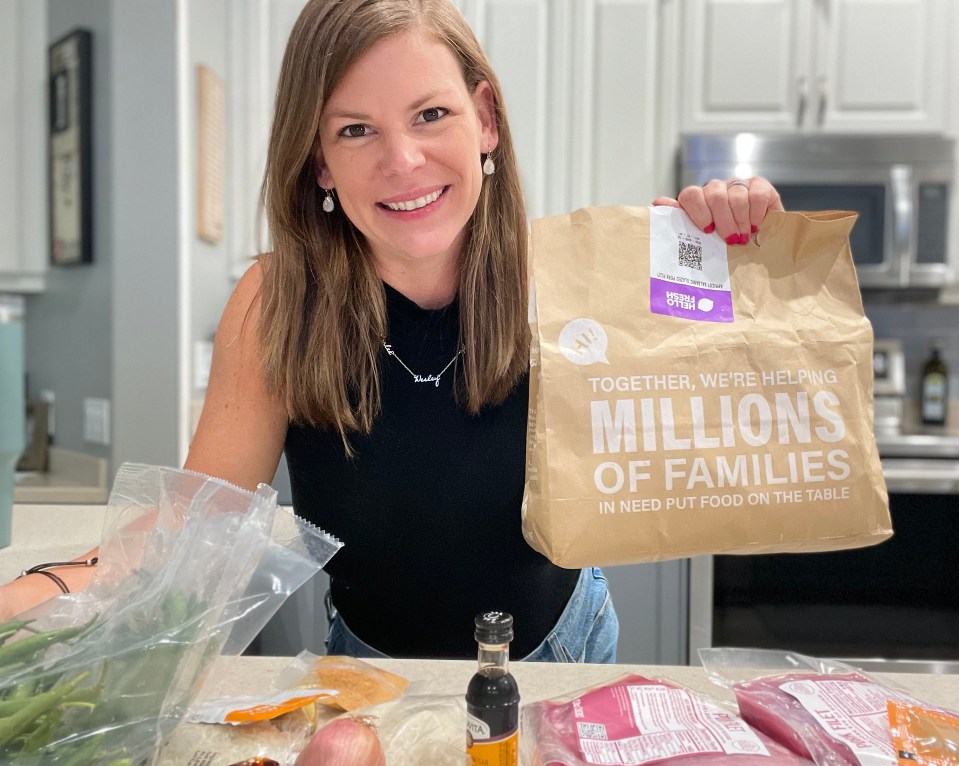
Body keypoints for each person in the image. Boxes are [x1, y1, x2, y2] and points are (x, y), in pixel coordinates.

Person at [2, 0, 783, 659]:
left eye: (431, 114)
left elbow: (744, 397)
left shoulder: (574, 272)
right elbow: (193, 522)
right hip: (368, 667)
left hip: (563, 648)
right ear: (317, 161)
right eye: (354, 130)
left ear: (486, 120)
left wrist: (742, 258)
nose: (403, 161)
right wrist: (40, 592)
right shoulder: (276, 302)